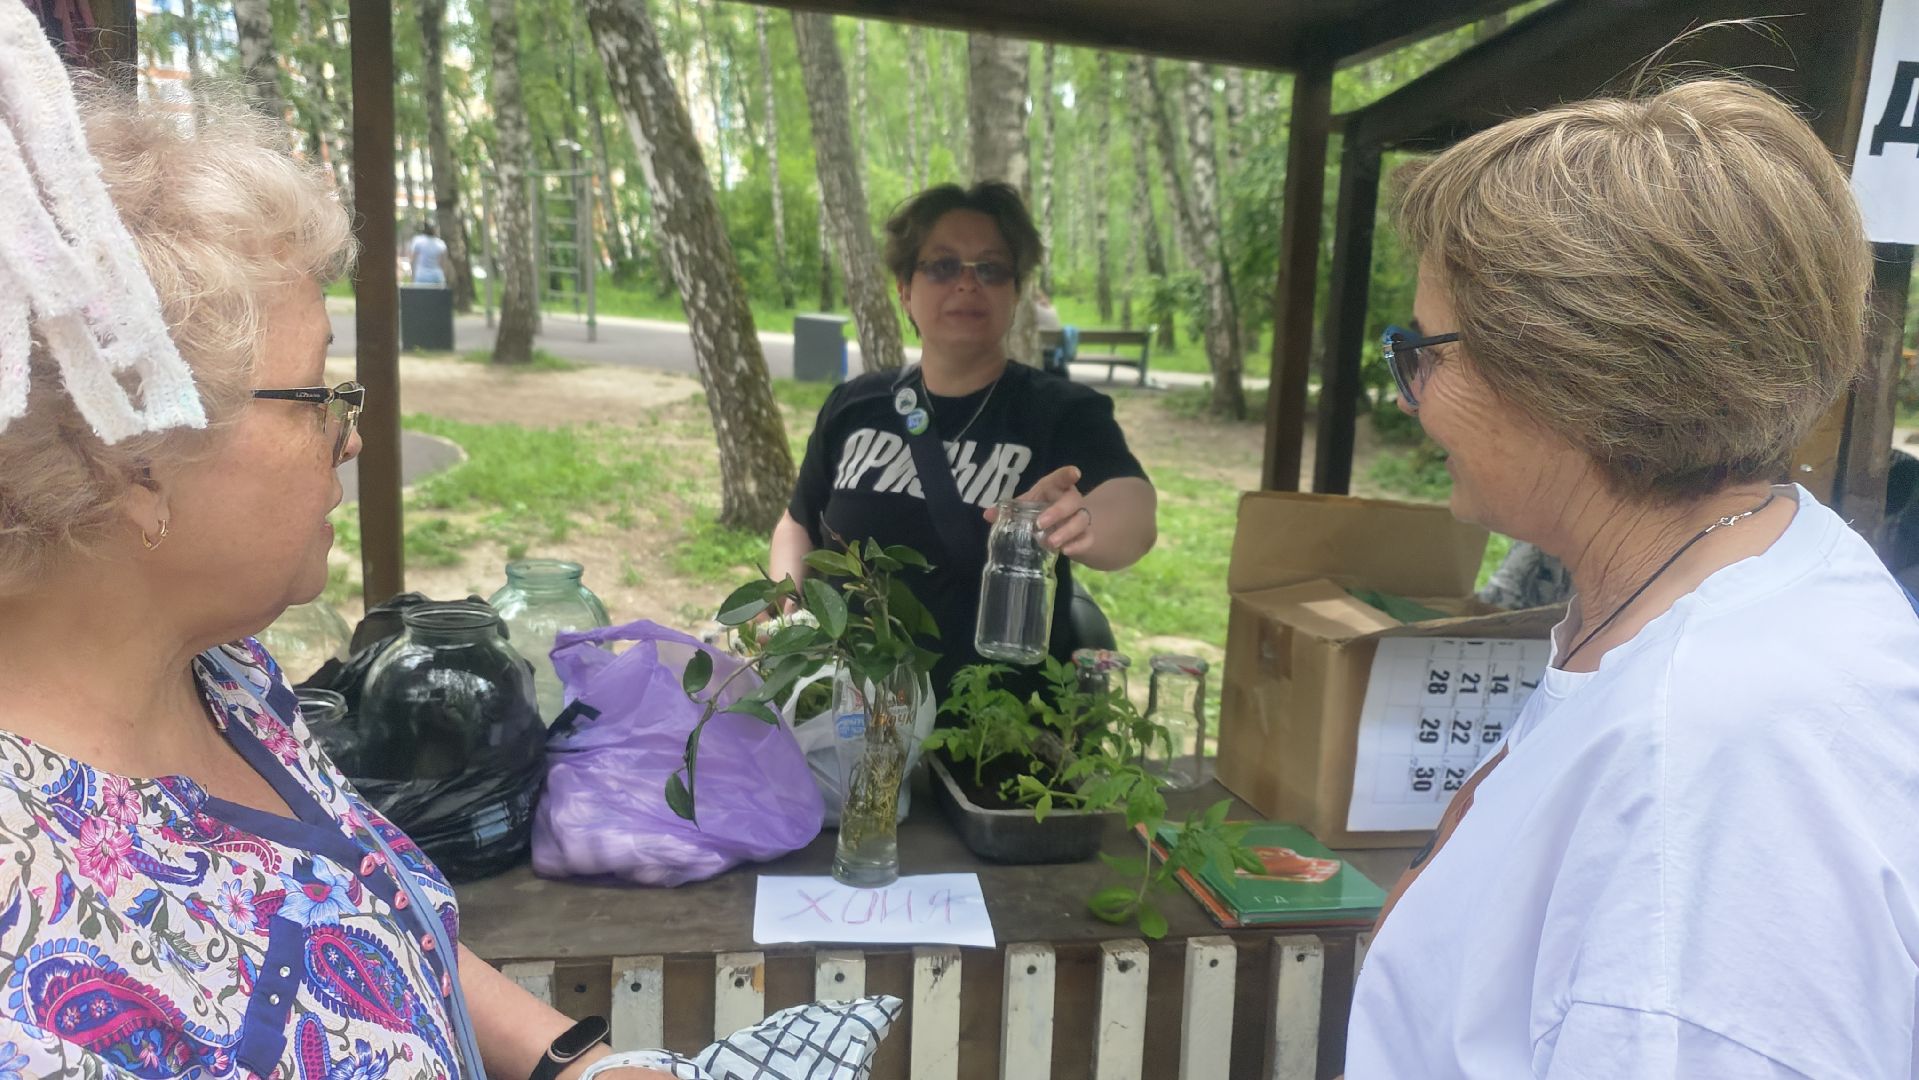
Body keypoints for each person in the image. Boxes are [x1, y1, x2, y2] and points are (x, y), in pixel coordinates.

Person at [0, 82, 669, 1080]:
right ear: (131, 456)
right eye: (318, 395)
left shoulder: (223, 673)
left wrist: (570, 1060)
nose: (351, 436)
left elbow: (355, 902)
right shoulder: (31, 974)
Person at [1343, 80, 1919, 1077]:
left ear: (1565, 368)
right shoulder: (1748, 566)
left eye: (1418, 353)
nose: (1407, 399)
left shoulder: (1699, 770)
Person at [770, 182, 1158, 701]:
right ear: (906, 290)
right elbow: (797, 522)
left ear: (1015, 294)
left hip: (992, 737)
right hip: (846, 720)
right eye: (943, 266)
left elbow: (1133, 508)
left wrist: (1082, 522)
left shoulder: (1060, 412)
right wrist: (783, 608)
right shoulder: (854, 406)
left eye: (991, 269)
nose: (967, 284)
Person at [409, 218, 449, 285]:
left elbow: (413, 261)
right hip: (436, 277)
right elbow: (444, 264)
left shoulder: (418, 241)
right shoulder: (440, 244)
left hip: (421, 276)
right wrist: (444, 278)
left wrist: (412, 277)